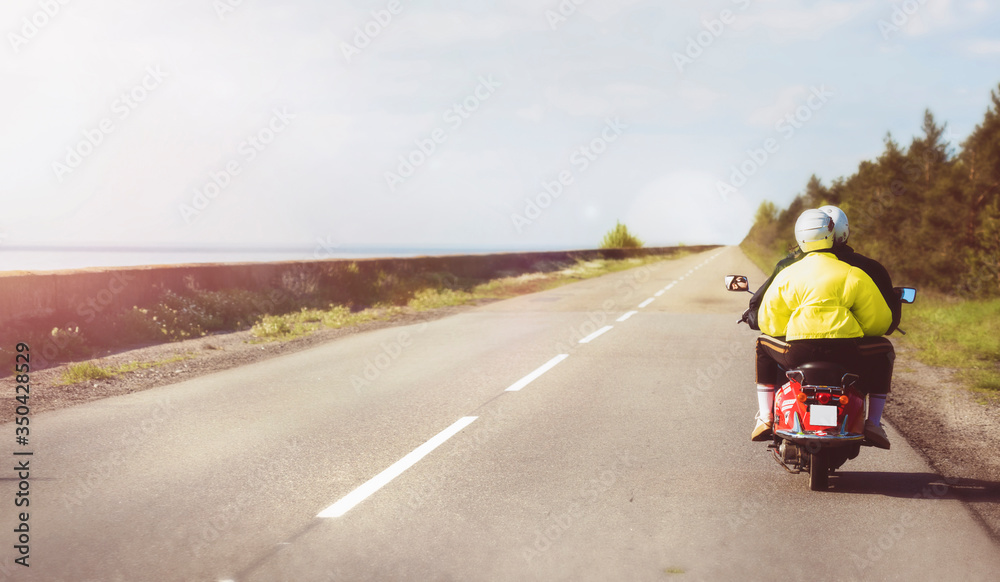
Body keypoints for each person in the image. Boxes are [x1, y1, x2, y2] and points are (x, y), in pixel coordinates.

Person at [751, 209, 894, 449]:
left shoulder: (787, 274)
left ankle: (766, 417)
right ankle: (874, 423)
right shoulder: (854, 274)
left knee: (762, 345)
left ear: (800, 238)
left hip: (798, 352)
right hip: (846, 353)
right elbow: (878, 323)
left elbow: (770, 323)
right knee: (884, 348)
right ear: (833, 235)